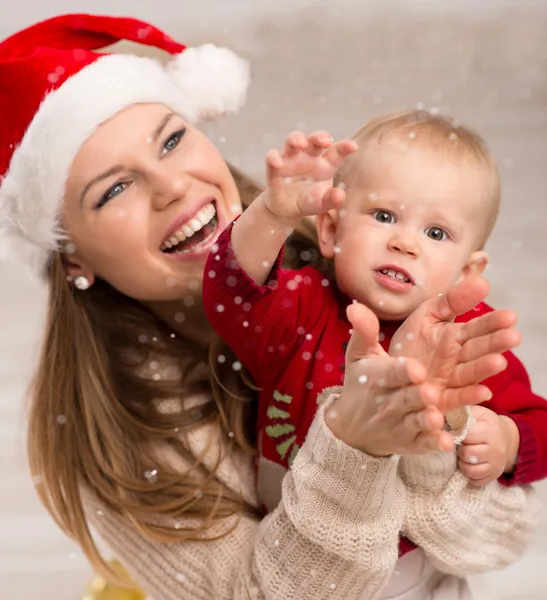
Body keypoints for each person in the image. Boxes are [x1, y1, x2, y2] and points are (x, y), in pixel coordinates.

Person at [0, 14, 540, 600]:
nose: (171, 187)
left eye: (171, 140)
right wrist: (353, 447)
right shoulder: (113, 432)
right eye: (115, 189)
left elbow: (499, 539)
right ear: (73, 260)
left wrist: (439, 433)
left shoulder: (370, 263)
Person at [203, 112, 547, 554]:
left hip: (415, 571)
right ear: (330, 229)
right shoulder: (303, 306)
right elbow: (234, 299)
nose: (406, 243)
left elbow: (540, 425)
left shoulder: (465, 340)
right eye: (384, 215)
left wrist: (508, 441)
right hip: (297, 547)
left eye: (436, 232)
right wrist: (272, 214)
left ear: (467, 270)